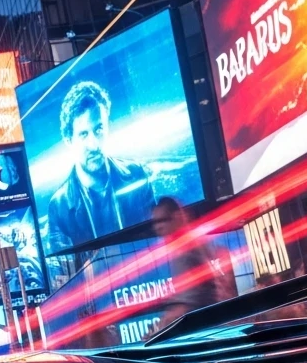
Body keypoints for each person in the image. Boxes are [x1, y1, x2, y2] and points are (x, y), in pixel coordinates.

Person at [46, 80, 156, 255]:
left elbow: (158, 240)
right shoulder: (59, 206)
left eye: (99, 129)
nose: (94, 144)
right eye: (83, 134)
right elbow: (63, 270)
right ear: (69, 140)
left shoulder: (136, 175)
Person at [150, 197, 221, 330]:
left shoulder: (186, 247)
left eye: (161, 221)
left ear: (177, 216)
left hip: (201, 328)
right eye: (154, 223)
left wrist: (164, 324)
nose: (157, 228)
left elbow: (192, 300)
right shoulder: (182, 245)